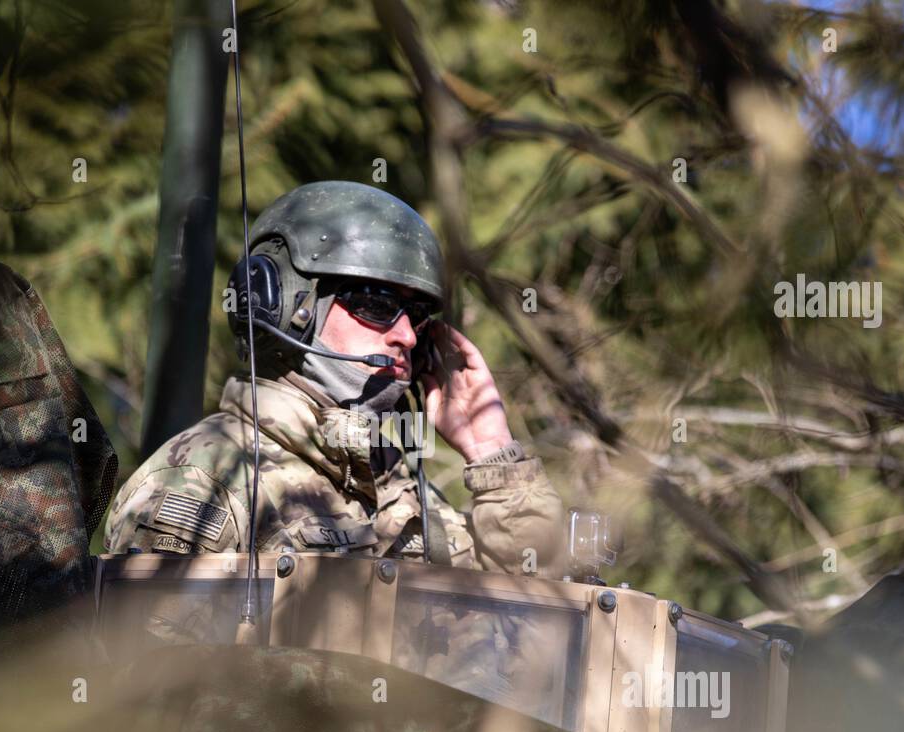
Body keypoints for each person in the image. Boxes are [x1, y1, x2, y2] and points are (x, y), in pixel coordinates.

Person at [105, 180, 564, 577]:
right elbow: (150, 673)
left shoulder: (398, 485)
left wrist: (490, 454)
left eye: (418, 315)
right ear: (286, 304)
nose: (406, 334)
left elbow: (541, 618)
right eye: (377, 304)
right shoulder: (203, 483)